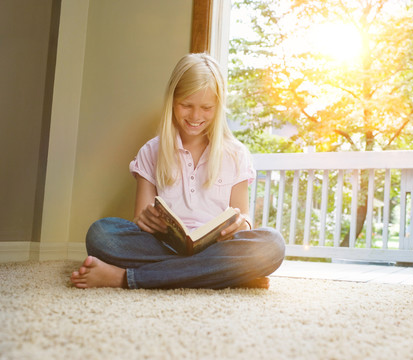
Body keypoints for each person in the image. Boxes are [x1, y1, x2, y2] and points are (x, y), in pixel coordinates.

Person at [70, 53, 285, 290]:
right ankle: (226, 274)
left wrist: (243, 224)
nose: (195, 116)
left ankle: (126, 278)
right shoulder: (151, 151)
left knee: (272, 244)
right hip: (164, 246)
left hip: (217, 249)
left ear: (218, 108)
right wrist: (145, 220)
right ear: (173, 101)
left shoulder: (236, 154)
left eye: (206, 108)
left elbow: (242, 216)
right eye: (186, 105)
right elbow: (140, 217)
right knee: (101, 234)